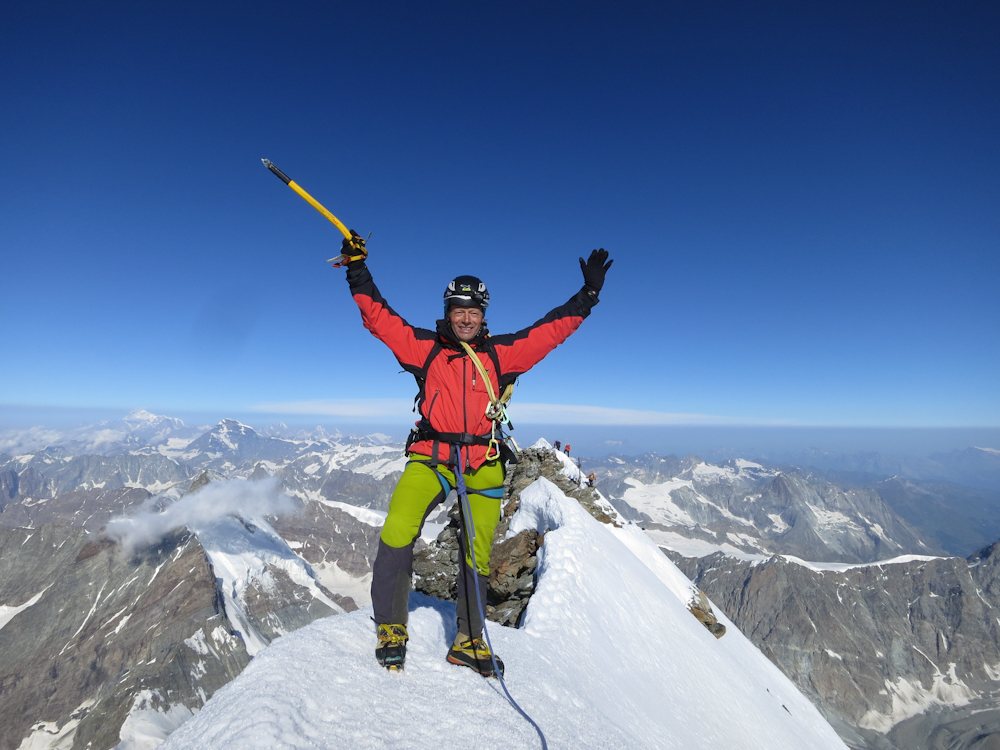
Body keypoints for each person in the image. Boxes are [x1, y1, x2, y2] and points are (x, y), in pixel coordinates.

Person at [341, 234, 612, 675]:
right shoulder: (425, 349)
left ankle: (468, 639)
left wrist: (588, 297)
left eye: (473, 311)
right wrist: (357, 270)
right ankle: (391, 627)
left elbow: (549, 332)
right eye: (458, 310)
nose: (465, 318)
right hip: (432, 457)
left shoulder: (500, 354)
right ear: (448, 312)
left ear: (483, 315)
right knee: (397, 529)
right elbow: (379, 318)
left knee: (478, 553)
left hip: (483, 461)